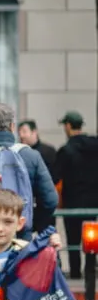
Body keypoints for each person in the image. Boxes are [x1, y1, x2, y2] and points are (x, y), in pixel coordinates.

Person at [0, 102, 58, 239]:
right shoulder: (31, 156)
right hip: (21, 237)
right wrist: (27, 221)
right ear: (12, 126)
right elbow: (50, 200)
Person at [53, 111, 98, 279]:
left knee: (73, 241)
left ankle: (75, 273)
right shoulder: (95, 146)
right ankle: (91, 272)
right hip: (94, 203)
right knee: (92, 240)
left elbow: (54, 176)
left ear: (68, 126)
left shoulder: (67, 150)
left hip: (73, 202)